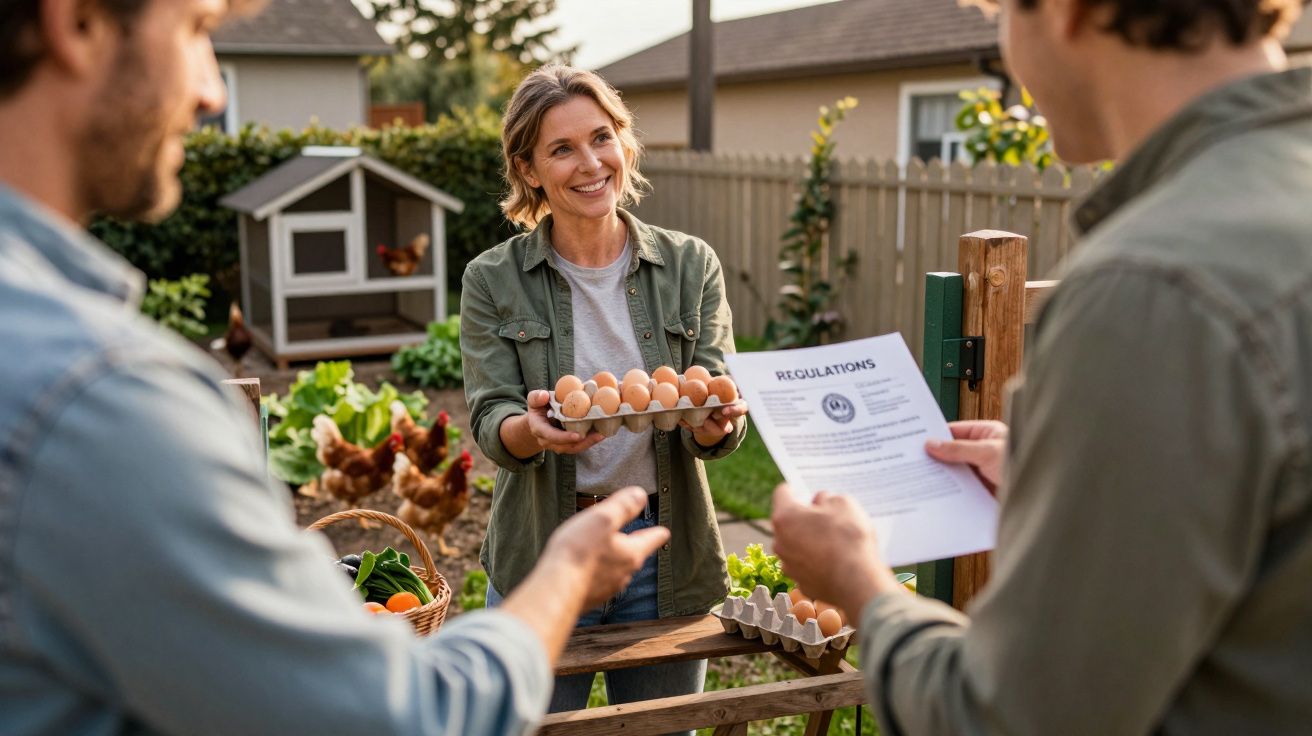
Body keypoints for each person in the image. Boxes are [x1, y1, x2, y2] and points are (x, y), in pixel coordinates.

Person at [0, 1, 669, 734]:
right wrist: (565, 575)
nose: (211, 91)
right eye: (195, 30)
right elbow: (397, 717)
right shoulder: (98, 397)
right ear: (78, 23)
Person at [771, 0, 1312, 733]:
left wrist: (862, 588)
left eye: (998, 12)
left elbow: (1009, 717)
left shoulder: (1152, 287)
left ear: (1065, 11)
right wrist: (1064, 475)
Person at [460, 64, 748, 722]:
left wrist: (713, 422)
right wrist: (533, 428)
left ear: (623, 143)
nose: (590, 163)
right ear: (529, 170)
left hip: (663, 552)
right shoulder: (493, 280)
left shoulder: (689, 265)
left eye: (601, 137)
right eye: (561, 149)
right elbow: (489, 417)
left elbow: (714, 396)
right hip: (545, 547)